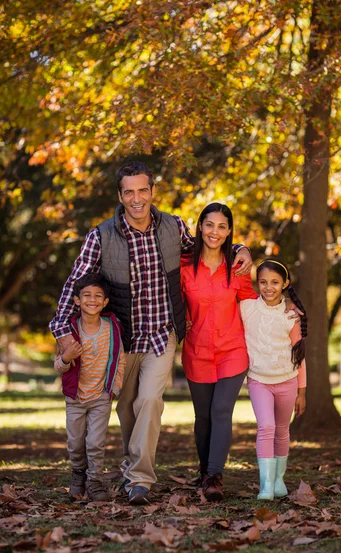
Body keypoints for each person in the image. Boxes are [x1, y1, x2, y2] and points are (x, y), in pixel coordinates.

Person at [49, 161, 252, 506]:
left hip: (162, 334)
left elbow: (210, 245)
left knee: (149, 401)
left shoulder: (173, 226)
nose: (137, 198)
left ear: (152, 191)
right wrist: (61, 330)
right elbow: (75, 284)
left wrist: (240, 248)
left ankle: (140, 480)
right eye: (129, 191)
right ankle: (132, 470)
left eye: (143, 190)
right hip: (124, 340)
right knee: (126, 407)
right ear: (120, 195)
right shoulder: (101, 236)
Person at [180, 203, 258, 502]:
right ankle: (204, 471)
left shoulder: (238, 268)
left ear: (229, 232)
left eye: (222, 226)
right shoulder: (184, 266)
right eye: (209, 225)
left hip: (232, 350)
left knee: (221, 410)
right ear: (200, 227)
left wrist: (285, 309)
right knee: (203, 418)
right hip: (197, 350)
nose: (215, 232)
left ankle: (215, 476)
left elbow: (252, 303)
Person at [54, 273, 126, 502]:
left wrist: (113, 388)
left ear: (105, 302)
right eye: (86, 295)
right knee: (75, 443)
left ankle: (95, 481)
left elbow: (120, 359)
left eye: (98, 296)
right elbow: (58, 366)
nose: (92, 300)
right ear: (76, 300)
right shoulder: (68, 331)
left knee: (96, 443)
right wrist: (66, 357)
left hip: (100, 397)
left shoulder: (112, 327)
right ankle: (78, 475)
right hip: (75, 398)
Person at [240, 259, 307, 501]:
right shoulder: (246, 308)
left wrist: (302, 391)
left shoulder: (291, 315)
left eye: (275, 282)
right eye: (263, 282)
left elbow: (299, 356)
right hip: (259, 380)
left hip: (288, 381)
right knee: (266, 426)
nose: (269, 287)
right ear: (257, 283)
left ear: (285, 284)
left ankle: (279, 480)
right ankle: (266, 485)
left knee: (282, 430)